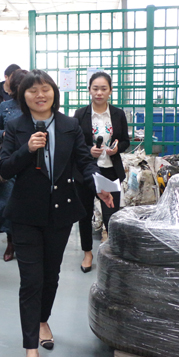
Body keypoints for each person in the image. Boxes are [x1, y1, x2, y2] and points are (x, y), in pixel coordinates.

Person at [0, 69, 114, 357]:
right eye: (32, 90)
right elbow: (5, 168)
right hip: (25, 215)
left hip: (60, 213)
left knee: (51, 275)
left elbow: (84, 161)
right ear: (23, 96)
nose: (40, 95)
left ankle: (42, 320)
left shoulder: (68, 125)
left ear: (54, 93)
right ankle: (30, 352)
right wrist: (27, 149)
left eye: (45, 89)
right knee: (31, 281)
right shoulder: (15, 126)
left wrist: (99, 186)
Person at [73, 71, 130, 273]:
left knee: (111, 215)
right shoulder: (80, 114)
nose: (99, 93)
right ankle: (87, 253)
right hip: (86, 172)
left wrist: (117, 149)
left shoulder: (118, 114)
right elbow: (74, 143)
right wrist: (88, 150)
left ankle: (111, 253)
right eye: (95, 88)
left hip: (110, 171)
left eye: (103, 88)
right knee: (85, 214)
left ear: (110, 91)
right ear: (89, 90)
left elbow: (126, 141)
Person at [0, 69, 28, 262]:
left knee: (27, 204)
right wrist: (5, 134)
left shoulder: (34, 107)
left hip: (30, 162)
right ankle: (11, 242)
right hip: (8, 162)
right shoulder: (5, 106)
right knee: (7, 203)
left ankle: (25, 242)